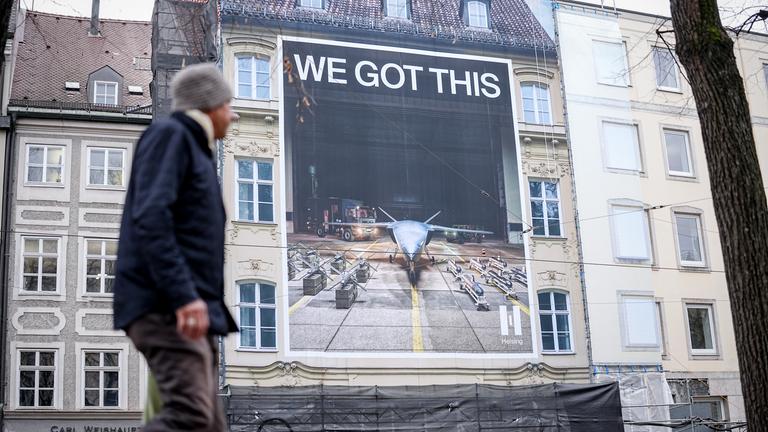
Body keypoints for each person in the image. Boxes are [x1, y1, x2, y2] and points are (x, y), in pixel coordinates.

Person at [113, 63, 239, 431]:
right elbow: (151, 217)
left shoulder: (195, 149)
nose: (233, 114)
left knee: (209, 425)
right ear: (210, 104)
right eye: (228, 104)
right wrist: (184, 297)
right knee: (190, 417)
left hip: (185, 309)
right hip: (166, 308)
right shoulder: (172, 135)